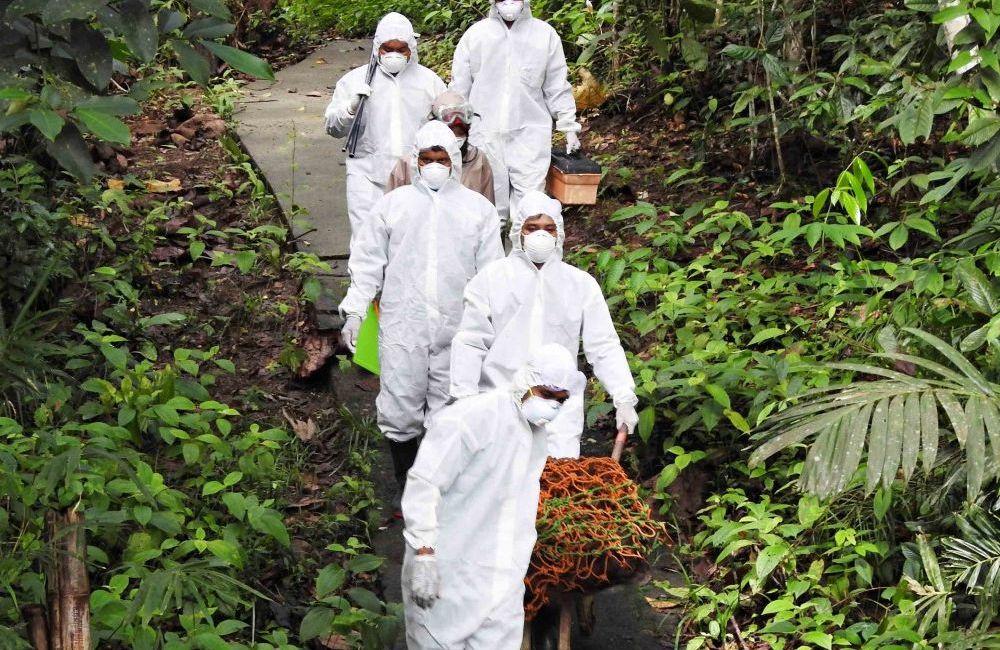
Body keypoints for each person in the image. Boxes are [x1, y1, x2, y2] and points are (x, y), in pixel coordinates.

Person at [338, 121, 503, 500]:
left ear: (454, 161)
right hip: (403, 325)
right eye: (426, 158)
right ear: (414, 160)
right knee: (399, 408)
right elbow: (367, 263)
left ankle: (441, 489)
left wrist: (493, 325)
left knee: (450, 410)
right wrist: (355, 309)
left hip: (458, 327)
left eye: (440, 158)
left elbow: (492, 274)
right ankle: (406, 486)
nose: (433, 165)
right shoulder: (392, 207)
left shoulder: (478, 212)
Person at [401, 344, 578, 649]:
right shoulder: (472, 419)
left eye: (561, 399)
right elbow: (426, 481)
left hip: (500, 586)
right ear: (525, 381)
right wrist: (424, 550)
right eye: (546, 394)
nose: (552, 405)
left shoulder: (535, 437)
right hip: (447, 576)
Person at [450, 191, 638, 458]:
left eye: (549, 228)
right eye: (533, 228)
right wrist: (464, 397)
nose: (541, 235)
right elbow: (470, 341)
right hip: (501, 400)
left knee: (556, 487)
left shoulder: (579, 284)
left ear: (559, 233)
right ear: (519, 232)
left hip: (559, 410)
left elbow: (603, 345)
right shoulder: (491, 280)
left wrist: (623, 395)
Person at [451, 0, 581, 221]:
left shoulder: (544, 35)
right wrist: (455, 127)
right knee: (488, 210)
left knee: (530, 208)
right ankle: (493, 256)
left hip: (530, 135)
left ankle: (524, 254)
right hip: (484, 134)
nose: (509, 2)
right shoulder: (476, 36)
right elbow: (459, 88)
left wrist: (568, 125)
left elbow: (556, 85)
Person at [324, 13, 446, 237]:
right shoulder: (354, 81)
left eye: (401, 49)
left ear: (412, 48)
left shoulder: (430, 82)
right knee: (366, 242)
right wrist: (350, 109)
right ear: (377, 47)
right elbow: (333, 128)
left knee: (411, 242)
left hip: (415, 179)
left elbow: (446, 131)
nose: (394, 55)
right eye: (388, 49)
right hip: (366, 174)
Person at [387, 89, 495, 203]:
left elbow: (487, 209)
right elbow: (390, 207)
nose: (457, 124)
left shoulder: (478, 161)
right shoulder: (409, 163)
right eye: (428, 160)